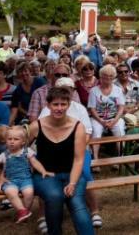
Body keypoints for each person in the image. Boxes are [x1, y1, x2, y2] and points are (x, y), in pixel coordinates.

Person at [27, 87, 94, 235]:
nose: (59, 108)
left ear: (68, 105)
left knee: (77, 203)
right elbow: (20, 150)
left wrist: (72, 183)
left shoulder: (77, 126)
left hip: (72, 173)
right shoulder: (36, 126)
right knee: (55, 196)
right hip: (45, 174)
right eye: (55, 104)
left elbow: (79, 159)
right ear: (48, 105)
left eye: (63, 104)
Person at [0, 125, 52, 223]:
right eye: (9, 139)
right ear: (6, 141)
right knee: (10, 192)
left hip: (26, 179)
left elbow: (35, 162)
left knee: (29, 193)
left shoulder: (27, 152)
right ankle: (22, 211)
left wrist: (43, 171)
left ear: (23, 142)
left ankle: (25, 211)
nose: (12, 141)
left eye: (16, 139)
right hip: (10, 181)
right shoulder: (4, 155)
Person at [87, 64, 125, 164]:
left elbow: (121, 107)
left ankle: (120, 158)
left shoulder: (118, 90)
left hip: (114, 117)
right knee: (96, 131)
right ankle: (95, 159)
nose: (108, 78)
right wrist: (101, 121)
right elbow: (92, 108)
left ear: (114, 77)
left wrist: (114, 120)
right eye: (105, 75)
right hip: (98, 118)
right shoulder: (94, 91)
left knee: (120, 130)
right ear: (100, 76)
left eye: (110, 76)